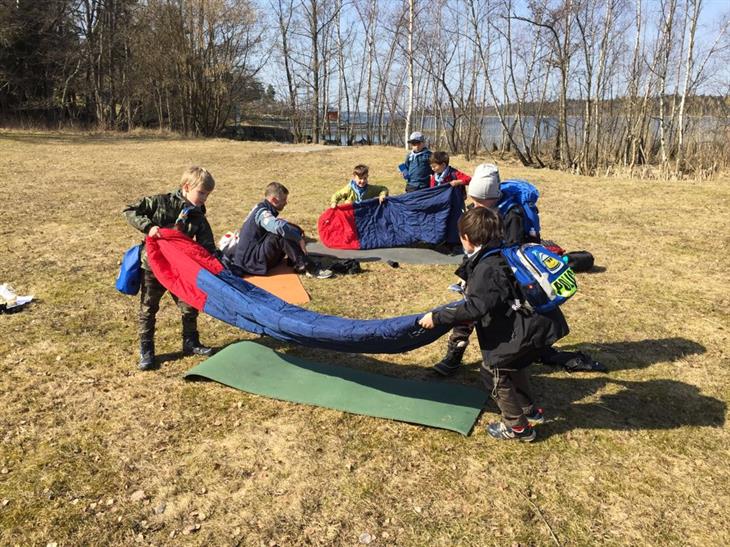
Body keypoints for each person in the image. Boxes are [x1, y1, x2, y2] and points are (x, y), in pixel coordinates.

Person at [432, 163, 605, 375]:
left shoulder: (512, 216)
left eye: (480, 201)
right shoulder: (477, 210)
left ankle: (527, 351)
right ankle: (456, 351)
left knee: (483, 310)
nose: (475, 206)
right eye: (473, 200)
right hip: (481, 269)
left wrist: (481, 276)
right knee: (470, 306)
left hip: (505, 275)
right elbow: (474, 248)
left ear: (493, 197)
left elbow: (510, 253)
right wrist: (466, 274)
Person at [419, 207, 569, 441]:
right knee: (514, 366)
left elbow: (475, 308)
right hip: (538, 324)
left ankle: (517, 427)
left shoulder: (487, 269)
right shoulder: (503, 252)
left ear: (466, 238)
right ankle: (529, 410)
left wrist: (437, 317)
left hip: (519, 332)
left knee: (493, 373)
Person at [124, 166, 217, 371]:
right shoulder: (160, 202)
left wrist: (221, 265)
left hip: (179, 269)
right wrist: (149, 227)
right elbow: (130, 210)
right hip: (154, 266)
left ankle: (190, 342)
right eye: (201, 193)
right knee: (148, 309)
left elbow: (207, 246)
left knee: (190, 305)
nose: (204, 199)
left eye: (207, 195)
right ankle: (147, 350)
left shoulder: (197, 215)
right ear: (187, 187)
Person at [227, 182, 333, 279]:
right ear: (274, 200)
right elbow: (278, 228)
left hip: (249, 257)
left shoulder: (259, 207)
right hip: (250, 263)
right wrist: (298, 238)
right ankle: (308, 267)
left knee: (291, 228)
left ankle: (295, 262)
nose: (286, 203)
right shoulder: (262, 213)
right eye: (283, 200)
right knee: (280, 234)